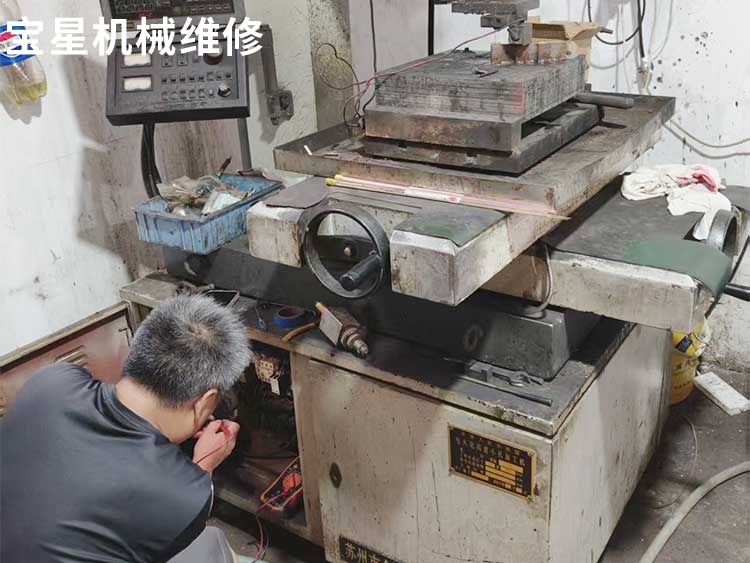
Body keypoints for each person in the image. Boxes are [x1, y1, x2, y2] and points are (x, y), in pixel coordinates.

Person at [1, 295, 253, 563]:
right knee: (212, 546)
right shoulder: (185, 497)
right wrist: (204, 464)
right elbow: (182, 505)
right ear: (205, 401)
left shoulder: (52, 381)